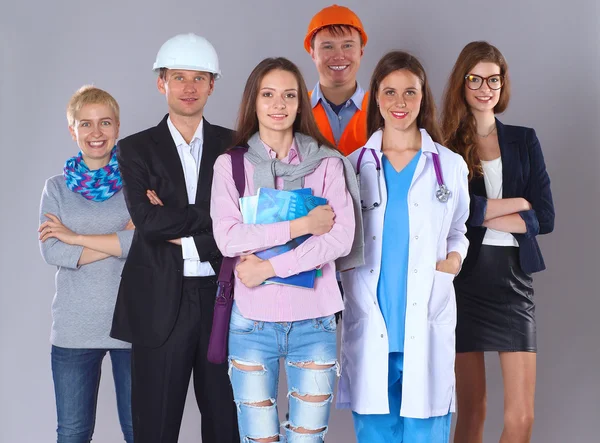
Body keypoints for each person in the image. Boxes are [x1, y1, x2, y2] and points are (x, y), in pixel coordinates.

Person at [210, 57, 364, 443]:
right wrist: (301, 226)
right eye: (268, 95)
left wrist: (268, 268)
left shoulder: (327, 163)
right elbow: (228, 238)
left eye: (289, 95)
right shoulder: (231, 166)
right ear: (254, 102)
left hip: (314, 322)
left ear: (301, 104)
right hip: (251, 323)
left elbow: (339, 238)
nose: (278, 105)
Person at [109, 33, 238, 442]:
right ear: (160, 82)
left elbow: (239, 224)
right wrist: (210, 220)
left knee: (225, 422)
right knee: (155, 427)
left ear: (212, 84)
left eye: (199, 78)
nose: (188, 87)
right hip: (157, 301)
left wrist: (180, 224)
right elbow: (148, 222)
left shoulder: (235, 146)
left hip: (224, 299)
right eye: (178, 77)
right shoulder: (134, 149)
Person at [337, 51, 470, 443]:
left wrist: (454, 261)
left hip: (426, 320)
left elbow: (458, 228)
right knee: (376, 435)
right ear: (375, 98)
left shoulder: (448, 165)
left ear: (423, 97)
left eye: (410, 93)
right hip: (371, 318)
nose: (400, 103)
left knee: (425, 434)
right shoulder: (353, 165)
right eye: (390, 92)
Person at [441, 41, 555, 443]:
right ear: (462, 82)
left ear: (502, 83)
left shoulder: (525, 140)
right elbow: (452, 213)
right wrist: (516, 206)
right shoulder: (446, 143)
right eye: (476, 78)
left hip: (514, 283)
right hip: (463, 284)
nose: (485, 87)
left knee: (521, 417)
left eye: (494, 78)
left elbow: (545, 217)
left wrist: (484, 210)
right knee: (472, 411)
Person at [38, 85, 134, 443]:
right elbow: (52, 252)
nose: (96, 133)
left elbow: (142, 244)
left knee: (140, 431)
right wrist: (116, 243)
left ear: (117, 127)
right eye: (86, 124)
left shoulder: (137, 185)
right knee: (74, 433)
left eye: (104, 123)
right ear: (72, 130)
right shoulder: (56, 189)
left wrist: (75, 237)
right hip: (74, 329)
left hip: (131, 325)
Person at [305, 4, 369, 156]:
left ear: (361, 51)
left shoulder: (381, 108)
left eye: (347, 45)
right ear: (313, 53)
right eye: (328, 47)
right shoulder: (296, 108)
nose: (339, 55)